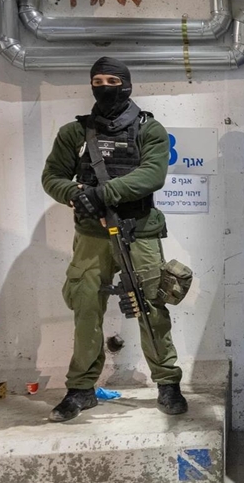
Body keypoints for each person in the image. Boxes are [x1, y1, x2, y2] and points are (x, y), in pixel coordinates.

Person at [41, 57, 187, 422]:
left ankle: (167, 383)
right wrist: (74, 194)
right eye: (97, 81)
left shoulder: (148, 129)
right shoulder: (75, 133)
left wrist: (101, 193)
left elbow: (152, 174)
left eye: (111, 80)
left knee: (152, 305)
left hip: (140, 231)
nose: (104, 87)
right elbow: (52, 177)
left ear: (126, 84)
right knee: (86, 306)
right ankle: (81, 389)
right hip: (91, 235)